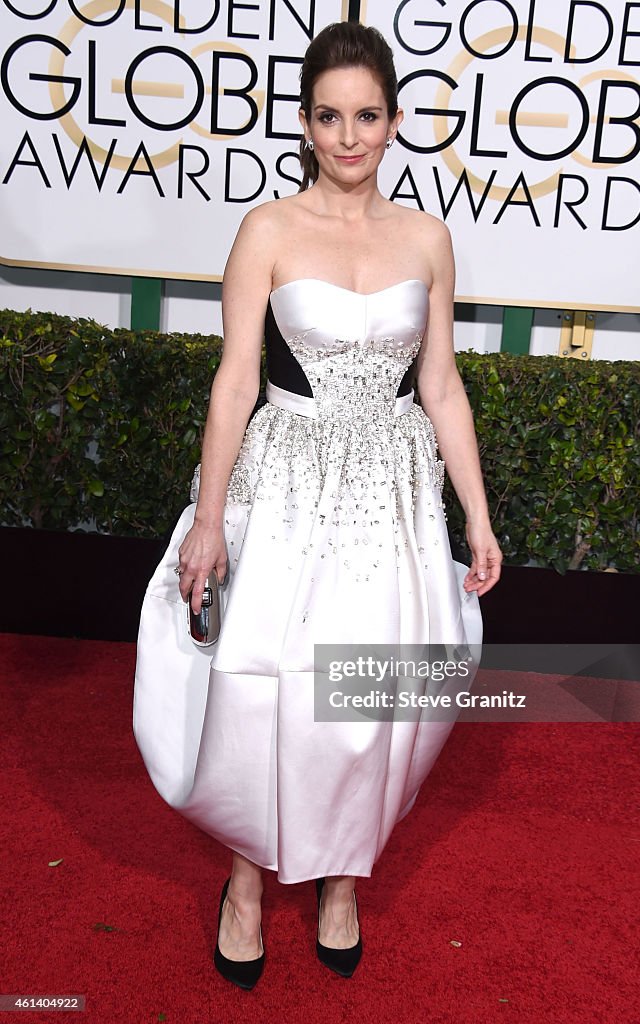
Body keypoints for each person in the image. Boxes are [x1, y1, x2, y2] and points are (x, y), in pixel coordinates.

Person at [133, 20, 502, 990]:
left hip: (390, 490)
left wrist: (478, 512)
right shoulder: (267, 229)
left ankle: (343, 880)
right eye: (330, 117)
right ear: (303, 125)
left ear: (394, 122)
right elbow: (234, 380)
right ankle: (245, 884)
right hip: (290, 477)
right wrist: (209, 518)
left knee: (374, 696)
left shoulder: (427, 237)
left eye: (368, 116)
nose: (350, 137)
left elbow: (443, 385)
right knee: (273, 687)